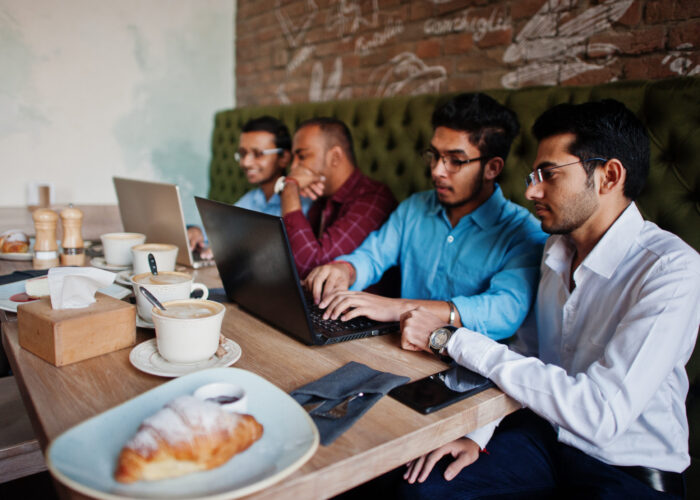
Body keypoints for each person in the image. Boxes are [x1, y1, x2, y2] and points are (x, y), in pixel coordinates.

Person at [399, 99, 699, 498]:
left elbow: (600, 414)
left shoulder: (671, 269)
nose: (531, 190)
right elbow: (529, 352)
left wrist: (452, 339)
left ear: (609, 176)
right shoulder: (555, 250)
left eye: (549, 174)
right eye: (533, 174)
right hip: (544, 440)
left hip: (627, 467)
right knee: (424, 488)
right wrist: (478, 433)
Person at [303, 93, 546, 341]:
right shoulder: (415, 208)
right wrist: (346, 269)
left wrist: (397, 308)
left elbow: (502, 313)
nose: (437, 171)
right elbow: (373, 255)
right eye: (434, 155)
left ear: (492, 168)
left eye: (455, 161)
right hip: (399, 347)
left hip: (468, 366)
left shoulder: (524, 233)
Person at [278, 117, 397, 278]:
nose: (293, 167)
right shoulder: (321, 198)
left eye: (302, 156)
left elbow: (310, 265)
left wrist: (289, 189)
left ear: (335, 156)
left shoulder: (374, 198)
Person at [187, 116, 312, 259]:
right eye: (242, 153)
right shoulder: (252, 199)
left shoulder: (303, 203)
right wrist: (197, 232)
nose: (245, 162)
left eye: (258, 154)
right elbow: (221, 228)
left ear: (283, 157)